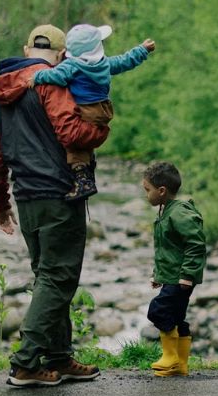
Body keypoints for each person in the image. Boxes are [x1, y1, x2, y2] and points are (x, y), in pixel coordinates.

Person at [0, 24, 107, 388]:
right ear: (61, 54)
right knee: (58, 277)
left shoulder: (1, 93)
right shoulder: (53, 82)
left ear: (26, 49)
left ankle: (57, 357)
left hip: (26, 197)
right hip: (59, 194)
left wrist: (0, 203)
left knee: (48, 276)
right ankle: (25, 362)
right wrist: (101, 131)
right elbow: (72, 134)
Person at [31, 24, 155, 200]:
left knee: (74, 144)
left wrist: (37, 76)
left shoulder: (72, 66)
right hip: (103, 109)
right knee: (86, 143)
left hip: (86, 109)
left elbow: (55, 76)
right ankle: (89, 170)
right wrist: (142, 50)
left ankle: (83, 182)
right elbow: (125, 61)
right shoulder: (105, 63)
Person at [142, 161, 207, 377]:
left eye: (147, 190)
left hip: (181, 279)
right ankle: (180, 365)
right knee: (177, 317)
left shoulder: (179, 213)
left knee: (158, 310)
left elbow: (195, 244)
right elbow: (168, 248)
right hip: (172, 277)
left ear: (161, 191)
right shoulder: (165, 210)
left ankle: (170, 358)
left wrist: (188, 275)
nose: (146, 195)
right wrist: (158, 274)